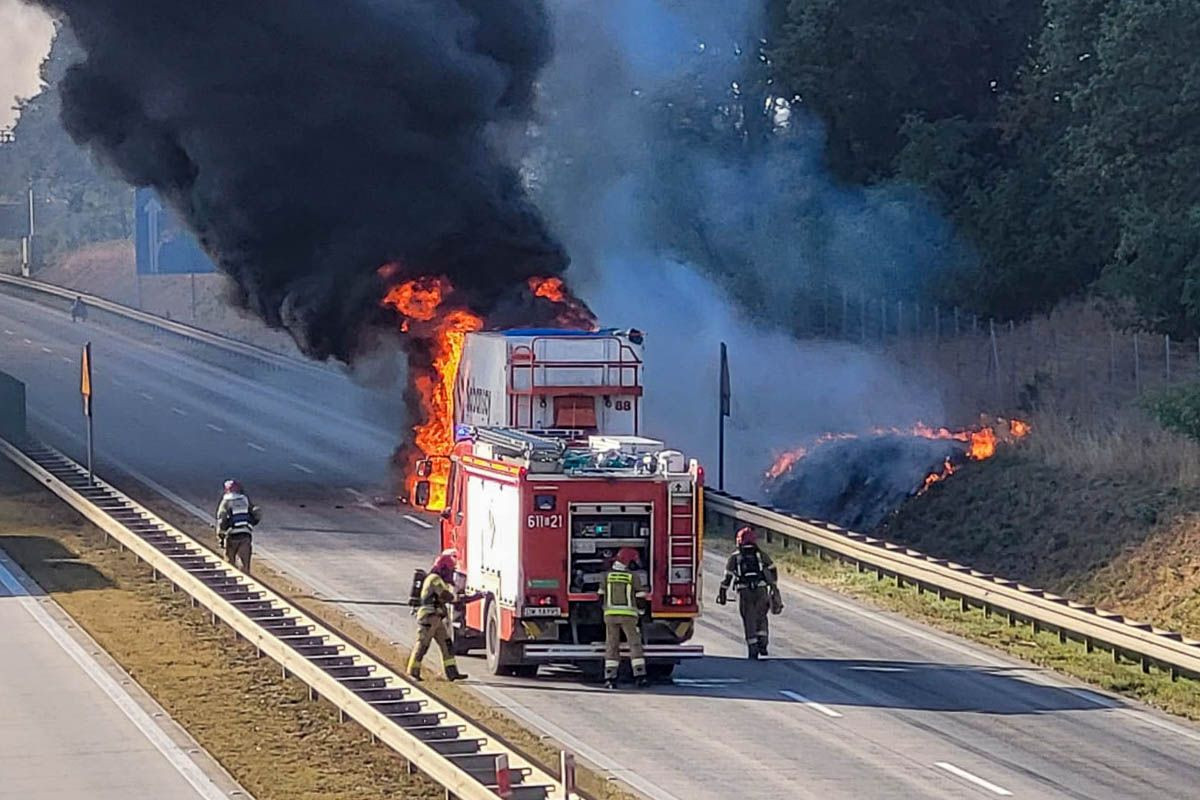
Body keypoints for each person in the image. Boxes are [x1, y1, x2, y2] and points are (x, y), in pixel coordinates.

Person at [407, 550, 477, 682]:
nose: (451, 574)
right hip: (429, 617)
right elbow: (446, 596)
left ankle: (452, 673)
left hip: (437, 618)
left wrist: (469, 598)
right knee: (422, 644)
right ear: (444, 569)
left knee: (447, 644)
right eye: (450, 570)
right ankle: (412, 671)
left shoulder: (436, 579)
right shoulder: (435, 579)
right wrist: (465, 598)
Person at [716, 527, 780, 659]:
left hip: (745, 592)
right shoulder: (761, 555)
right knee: (761, 616)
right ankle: (763, 641)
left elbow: (727, 577)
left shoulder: (735, 557)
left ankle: (753, 648)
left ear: (739, 541)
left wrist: (722, 593)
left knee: (749, 619)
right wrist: (773, 587)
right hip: (761, 590)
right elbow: (773, 570)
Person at [599, 547, 649, 689]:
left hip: (610, 616)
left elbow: (600, 596)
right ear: (628, 562)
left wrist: (604, 610)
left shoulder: (606, 576)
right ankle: (639, 675)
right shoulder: (633, 577)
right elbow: (640, 597)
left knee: (612, 645)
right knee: (634, 645)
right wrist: (641, 612)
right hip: (629, 617)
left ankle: (610, 677)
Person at [215, 479, 261, 573]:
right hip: (246, 535)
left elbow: (221, 520)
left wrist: (221, 537)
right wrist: (251, 524)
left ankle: (230, 580)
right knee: (245, 565)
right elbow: (255, 513)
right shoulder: (245, 499)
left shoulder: (225, 502)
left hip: (231, 536)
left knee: (229, 563)